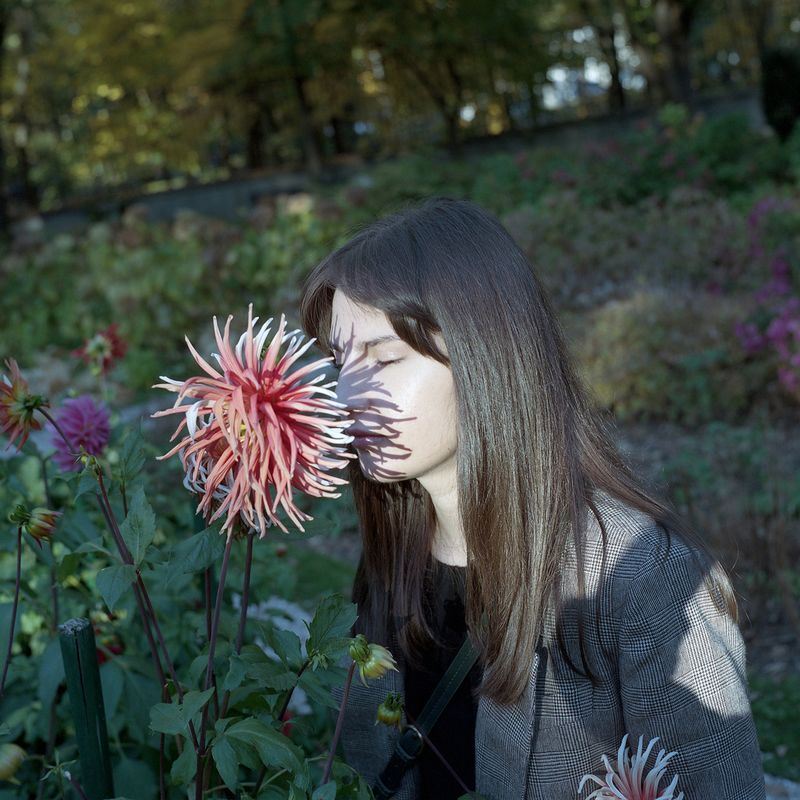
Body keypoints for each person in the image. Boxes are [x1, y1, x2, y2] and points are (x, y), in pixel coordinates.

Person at [299, 197, 766, 800]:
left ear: (484, 356)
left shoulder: (645, 574)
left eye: (384, 358)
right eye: (340, 359)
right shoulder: (395, 553)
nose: (345, 392)